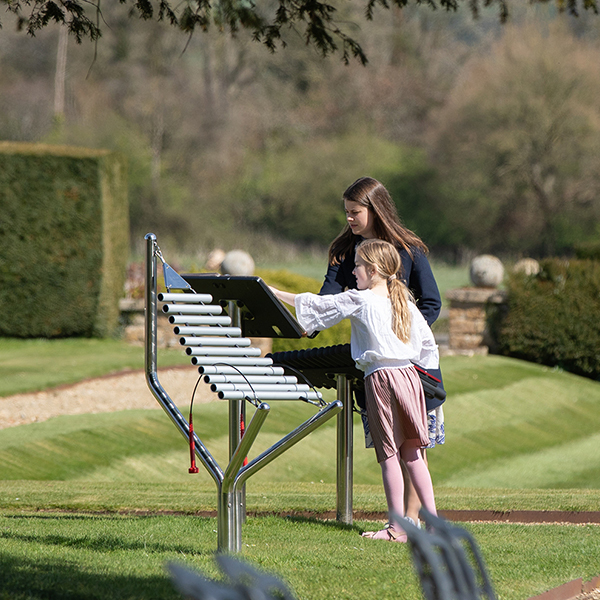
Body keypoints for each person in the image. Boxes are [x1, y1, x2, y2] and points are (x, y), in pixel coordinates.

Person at [270, 238, 438, 542]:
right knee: (413, 452)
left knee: (389, 455)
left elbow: (319, 305)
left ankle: (397, 528)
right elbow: (427, 345)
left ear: (372, 270)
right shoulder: (404, 302)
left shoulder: (361, 299)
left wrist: (274, 293)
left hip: (381, 380)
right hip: (410, 377)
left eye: (358, 265)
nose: (354, 271)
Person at [319, 176, 445, 525]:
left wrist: (399, 338)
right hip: (373, 369)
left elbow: (431, 303)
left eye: (355, 211)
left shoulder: (409, 250)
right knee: (391, 445)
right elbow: (326, 299)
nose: (349, 218)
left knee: (414, 447)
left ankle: (413, 519)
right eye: (346, 212)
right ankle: (405, 522)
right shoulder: (344, 253)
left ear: (374, 209)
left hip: (413, 364)